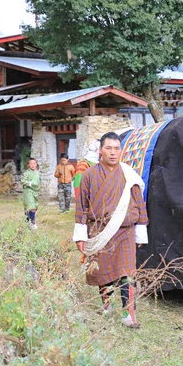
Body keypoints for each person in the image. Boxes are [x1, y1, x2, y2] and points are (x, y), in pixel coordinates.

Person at [73, 132, 148, 328]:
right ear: (100, 150)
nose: (113, 153)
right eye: (109, 148)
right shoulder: (88, 175)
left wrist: (141, 230)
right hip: (99, 231)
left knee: (126, 272)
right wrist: (80, 235)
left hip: (125, 231)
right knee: (101, 271)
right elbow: (81, 206)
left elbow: (140, 203)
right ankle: (106, 305)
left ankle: (128, 313)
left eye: (117, 149)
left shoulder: (128, 174)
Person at [21, 158, 41, 229]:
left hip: (35, 191)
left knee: (34, 207)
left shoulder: (37, 173)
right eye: (31, 164)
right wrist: (29, 183)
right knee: (30, 206)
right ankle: (31, 222)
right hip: (28, 191)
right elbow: (22, 181)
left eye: (34, 163)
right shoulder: (26, 173)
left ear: (36, 164)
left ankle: (29, 221)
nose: (32, 165)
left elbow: (38, 182)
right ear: (28, 165)